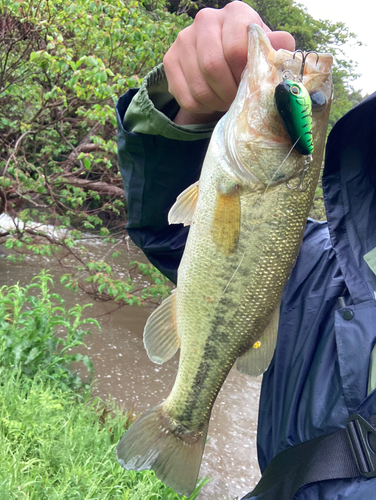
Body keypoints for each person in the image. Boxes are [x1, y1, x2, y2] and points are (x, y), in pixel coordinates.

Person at [116, 2, 376, 498]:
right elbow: (168, 233)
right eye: (300, 113)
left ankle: (183, 419)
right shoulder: (321, 272)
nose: (300, 105)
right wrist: (181, 112)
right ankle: (183, 420)